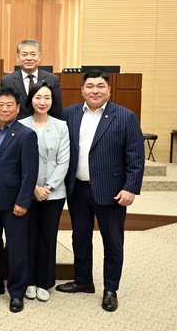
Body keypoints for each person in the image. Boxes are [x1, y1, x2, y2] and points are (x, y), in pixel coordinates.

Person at [56, 70, 144, 312]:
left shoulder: (125, 116)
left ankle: (110, 289)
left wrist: (130, 188)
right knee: (80, 237)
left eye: (100, 86)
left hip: (112, 191)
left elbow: (136, 156)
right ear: (82, 90)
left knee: (112, 241)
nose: (95, 90)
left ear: (109, 90)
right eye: (90, 86)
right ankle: (83, 280)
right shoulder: (69, 114)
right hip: (77, 188)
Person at [0, 87, 39, 313]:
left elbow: (29, 173)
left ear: (17, 108)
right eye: (0, 105)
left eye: (9, 105)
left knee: (16, 249)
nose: (4, 109)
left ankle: (17, 292)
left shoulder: (26, 134)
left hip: (14, 202)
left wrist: (23, 202)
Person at [20, 81, 70, 303]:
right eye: (38, 97)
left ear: (52, 101)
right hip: (26, 192)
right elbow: (17, 162)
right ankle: (29, 281)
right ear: (31, 99)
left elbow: (64, 161)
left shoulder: (61, 126)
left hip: (53, 193)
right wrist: (33, 188)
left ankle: (44, 282)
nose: (42, 102)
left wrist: (48, 187)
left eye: (47, 97)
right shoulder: (20, 125)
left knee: (48, 237)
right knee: (28, 236)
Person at [0, 39, 63, 119]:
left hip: (45, 125)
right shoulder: (7, 81)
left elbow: (57, 111)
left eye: (33, 54)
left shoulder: (52, 79)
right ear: (18, 58)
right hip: (17, 125)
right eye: (24, 54)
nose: (29, 58)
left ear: (39, 57)